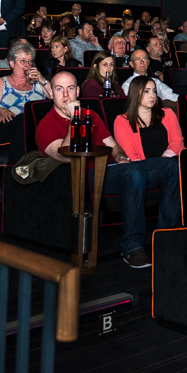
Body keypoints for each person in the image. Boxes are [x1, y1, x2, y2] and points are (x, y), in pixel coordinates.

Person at [35, 70, 151, 268]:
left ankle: (166, 237)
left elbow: (113, 146)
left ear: (78, 92)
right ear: (51, 93)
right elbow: (65, 155)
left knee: (171, 167)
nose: (65, 94)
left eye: (70, 88)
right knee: (135, 174)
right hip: (86, 178)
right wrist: (75, 118)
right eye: (59, 89)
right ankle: (133, 248)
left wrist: (122, 157)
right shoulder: (46, 126)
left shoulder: (92, 115)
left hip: (112, 170)